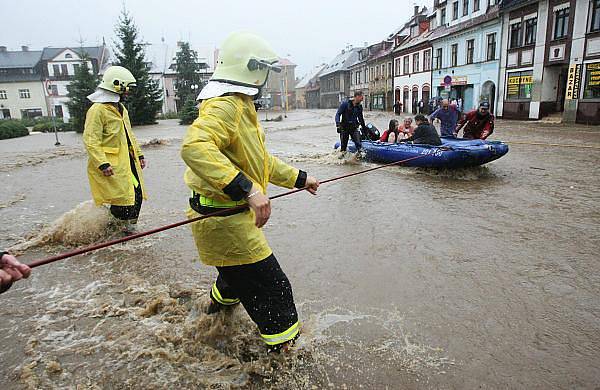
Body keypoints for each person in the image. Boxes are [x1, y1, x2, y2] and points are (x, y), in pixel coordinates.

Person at [181, 31, 320, 353]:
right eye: (267, 72)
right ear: (252, 69)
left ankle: (209, 315)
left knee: (236, 275)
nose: (269, 80)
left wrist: (301, 179)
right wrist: (247, 189)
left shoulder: (241, 105)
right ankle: (285, 353)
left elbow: (259, 160)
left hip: (226, 217)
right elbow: (194, 147)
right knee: (273, 288)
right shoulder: (225, 106)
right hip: (222, 219)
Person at [83, 66, 147, 233]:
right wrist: (102, 163)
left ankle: (129, 229)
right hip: (111, 165)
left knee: (136, 195)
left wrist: (139, 154)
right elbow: (91, 140)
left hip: (127, 162)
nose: (128, 93)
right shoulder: (97, 110)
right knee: (122, 200)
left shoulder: (121, 109)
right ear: (117, 85)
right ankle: (112, 232)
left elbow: (128, 134)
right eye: (128, 89)